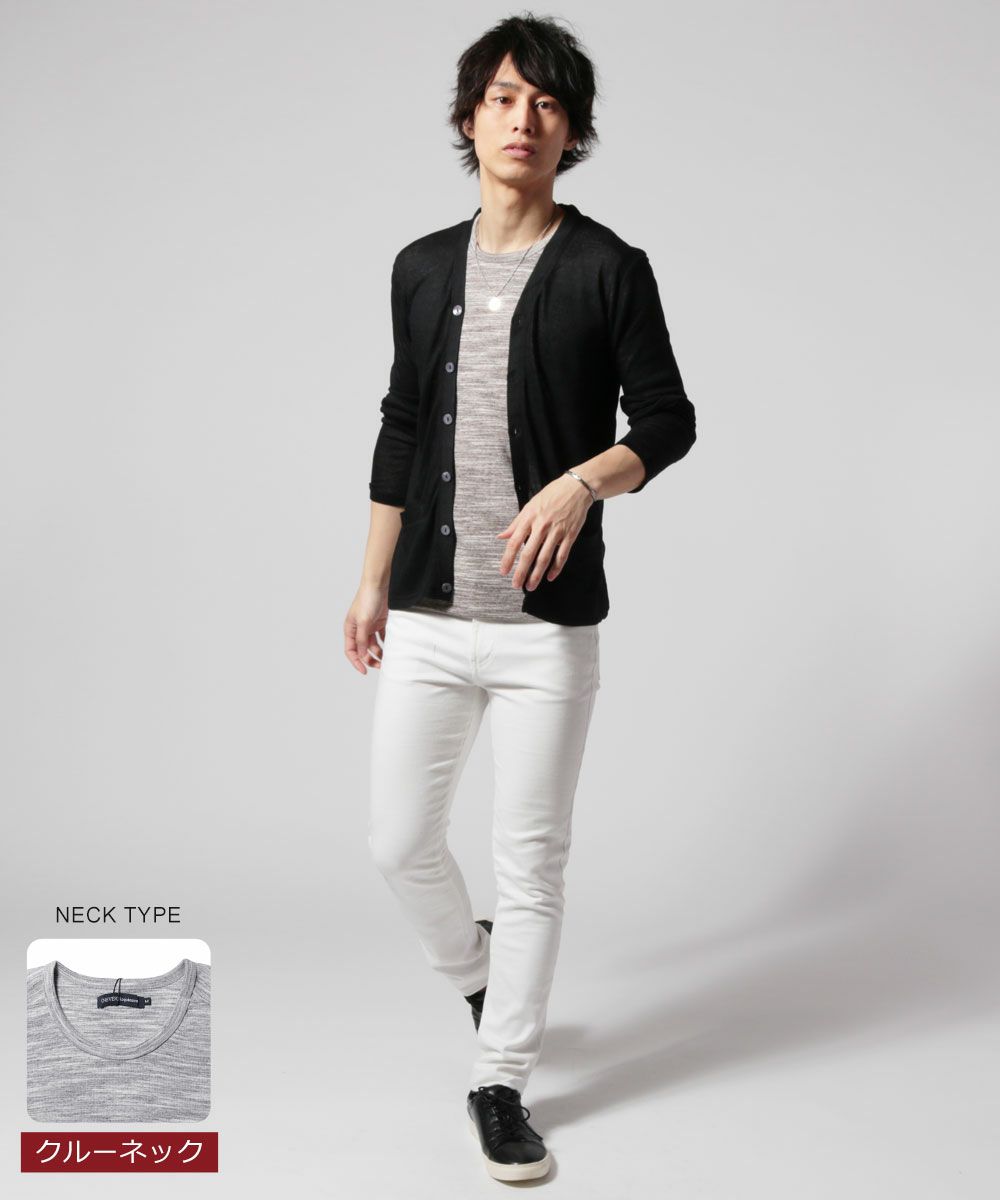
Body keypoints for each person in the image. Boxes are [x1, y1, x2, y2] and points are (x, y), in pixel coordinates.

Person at [344, 13, 696, 1183]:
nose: (523, 120)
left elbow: (667, 421)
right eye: (502, 98)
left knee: (529, 863)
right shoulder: (420, 267)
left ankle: (500, 1081)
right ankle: (477, 975)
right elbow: (402, 426)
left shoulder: (606, 268)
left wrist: (584, 482)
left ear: (571, 131)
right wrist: (371, 578)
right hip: (429, 613)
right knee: (399, 843)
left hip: (546, 631)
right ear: (469, 118)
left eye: (546, 103)